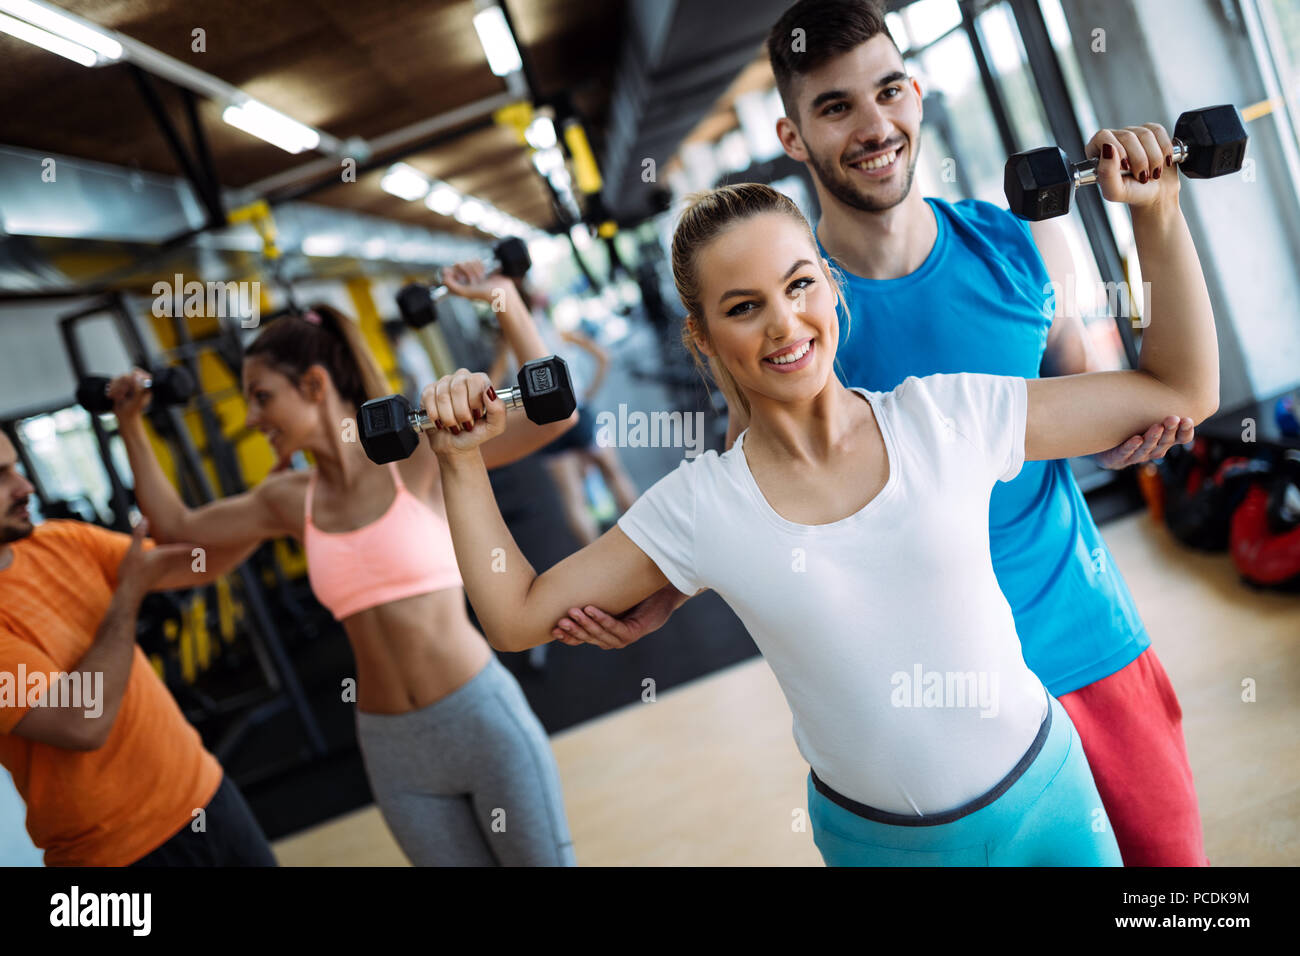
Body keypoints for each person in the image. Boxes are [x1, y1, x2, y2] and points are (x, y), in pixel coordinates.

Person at [558, 0, 1209, 867]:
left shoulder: (1017, 245)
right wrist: (673, 582)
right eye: (836, 108)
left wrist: (1135, 426)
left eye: (889, 91)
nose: (874, 127)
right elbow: (747, 484)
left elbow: (1095, 397)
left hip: (1081, 634)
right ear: (793, 135)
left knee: (1173, 892)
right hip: (933, 708)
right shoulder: (794, 324)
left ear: (917, 94)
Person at [425, 167, 1216, 865]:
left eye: (800, 284)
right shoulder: (701, 507)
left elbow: (1181, 392)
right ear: (701, 338)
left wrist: (1158, 214)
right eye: (744, 307)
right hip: (884, 846)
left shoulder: (948, 415)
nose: (785, 324)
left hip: (1050, 800)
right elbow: (517, 614)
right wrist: (459, 463)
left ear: (832, 286)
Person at [108, 263, 579, 867]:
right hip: (390, 747)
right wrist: (130, 426)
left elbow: (555, 414)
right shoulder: (287, 500)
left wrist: (503, 298)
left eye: (262, 396)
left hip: (479, 716)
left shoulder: (418, 459)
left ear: (312, 385)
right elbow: (177, 527)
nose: (251, 418)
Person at [0, 432, 275, 866]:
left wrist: (270, 510)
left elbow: (195, 562)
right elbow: (81, 721)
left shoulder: (59, 541)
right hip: (117, 853)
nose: (25, 486)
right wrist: (127, 595)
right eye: (1, 477)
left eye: (16, 467)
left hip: (205, 795)